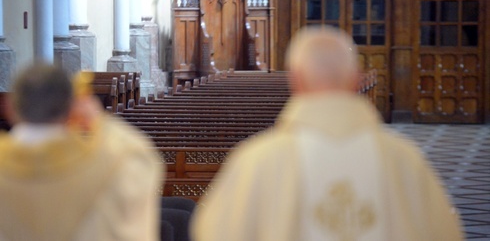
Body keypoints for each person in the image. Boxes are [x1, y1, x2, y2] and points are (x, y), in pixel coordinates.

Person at [191, 26, 463, 241]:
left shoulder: (258, 159)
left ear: (294, 79)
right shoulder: (403, 158)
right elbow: (446, 233)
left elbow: (215, 232)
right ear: (355, 79)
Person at [0, 63, 162, 241]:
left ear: (9, 107)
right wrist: (97, 119)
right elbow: (138, 156)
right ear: (72, 108)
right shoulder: (109, 167)